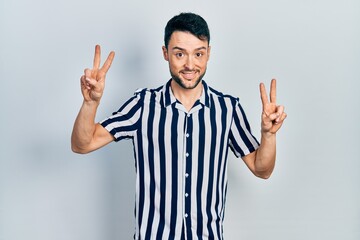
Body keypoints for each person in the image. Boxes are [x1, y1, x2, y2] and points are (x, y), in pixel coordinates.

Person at [71, 12, 286, 240]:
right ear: (165, 53)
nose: (189, 64)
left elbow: (262, 170)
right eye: (180, 54)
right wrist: (90, 103)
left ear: (208, 54)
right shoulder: (143, 105)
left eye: (198, 54)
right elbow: (82, 144)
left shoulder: (228, 110)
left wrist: (268, 135)